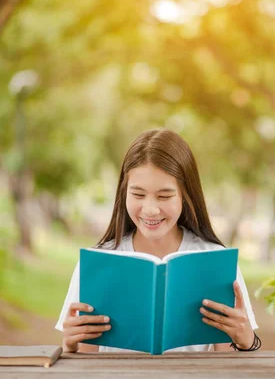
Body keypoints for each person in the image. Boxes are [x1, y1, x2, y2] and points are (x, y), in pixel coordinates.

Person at [55, 128, 260, 353]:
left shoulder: (215, 260)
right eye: (138, 195)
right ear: (124, 193)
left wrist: (246, 340)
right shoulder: (97, 263)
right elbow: (85, 365)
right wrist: (70, 344)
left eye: (164, 196)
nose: (150, 210)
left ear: (186, 195)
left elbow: (229, 367)